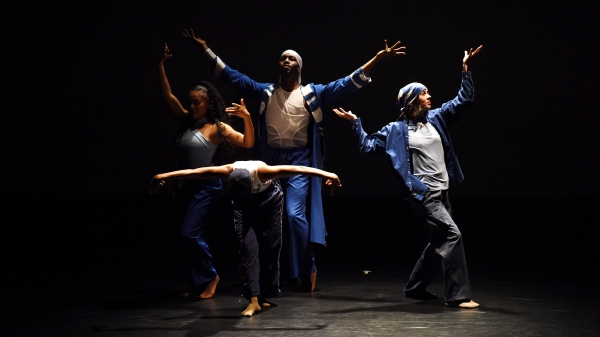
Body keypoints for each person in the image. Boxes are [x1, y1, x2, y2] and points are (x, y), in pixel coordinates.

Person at [182, 29, 405, 291]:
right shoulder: (265, 92)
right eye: (282, 58)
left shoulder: (313, 93)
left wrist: (377, 58)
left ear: (299, 66)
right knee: (267, 221)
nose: (286, 61)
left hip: (299, 161)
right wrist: (205, 49)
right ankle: (274, 275)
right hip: (272, 161)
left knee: (294, 215)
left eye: (291, 59)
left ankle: (308, 266)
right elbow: (232, 76)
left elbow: (347, 83)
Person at [333, 45, 483, 308]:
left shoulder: (436, 118)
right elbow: (368, 147)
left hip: (444, 191)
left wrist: (466, 70)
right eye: (423, 93)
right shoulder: (395, 130)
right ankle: (458, 295)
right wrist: (356, 124)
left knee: (440, 241)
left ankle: (415, 287)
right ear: (412, 99)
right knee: (452, 236)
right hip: (424, 194)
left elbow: (464, 101)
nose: (429, 96)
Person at [151, 161, 341, 316]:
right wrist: (164, 176)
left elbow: (299, 168)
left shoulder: (264, 171)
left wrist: (329, 175)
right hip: (244, 208)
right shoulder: (226, 171)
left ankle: (266, 294)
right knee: (247, 248)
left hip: (270, 202)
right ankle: (254, 299)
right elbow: (194, 171)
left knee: (271, 246)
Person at [157, 43, 255, 299]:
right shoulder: (186, 122)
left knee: (189, 233)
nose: (191, 107)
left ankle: (211, 276)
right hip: (185, 186)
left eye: (196, 103)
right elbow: (168, 96)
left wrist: (246, 117)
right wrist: (160, 66)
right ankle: (198, 282)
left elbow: (247, 142)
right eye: (189, 102)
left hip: (206, 188)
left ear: (208, 102)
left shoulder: (217, 128)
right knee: (181, 236)